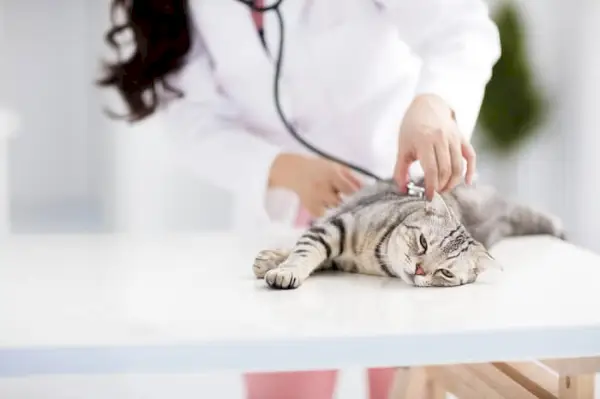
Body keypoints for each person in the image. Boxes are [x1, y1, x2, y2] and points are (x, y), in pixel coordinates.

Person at [99, 0, 500, 398]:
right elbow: (191, 119)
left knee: (402, 384)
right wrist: (280, 168)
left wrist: (434, 103)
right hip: (286, 218)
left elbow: (461, 30)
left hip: (401, 209)